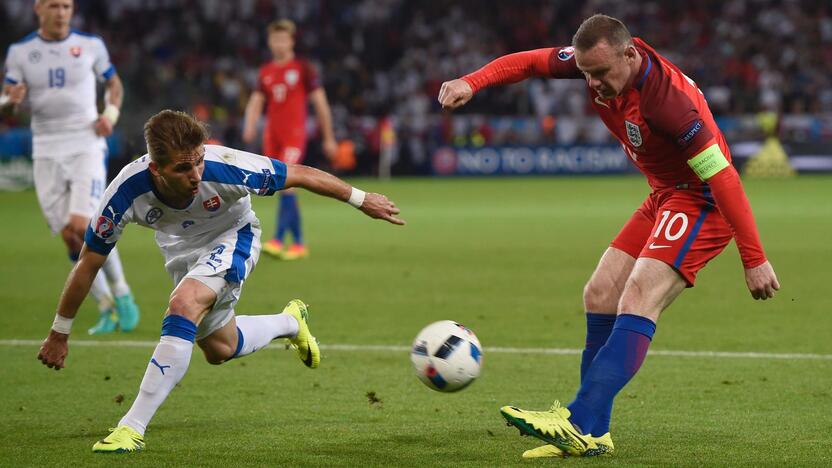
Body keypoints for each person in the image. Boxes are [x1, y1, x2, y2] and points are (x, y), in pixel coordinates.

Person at [438, 14, 780, 458]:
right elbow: (530, 63)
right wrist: (472, 81)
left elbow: (725, 178)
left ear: (630, 55)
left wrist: (754, 258)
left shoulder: (668, 104)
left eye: (600, 73)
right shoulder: (599, 57)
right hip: (663, 195)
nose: (593, 83)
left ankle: (579, 420)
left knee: (638, 296)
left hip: (701, 201)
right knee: (600, 293)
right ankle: (594, 432)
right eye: (585, 73)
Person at [36, 109, 404, 453]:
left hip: (233, 236)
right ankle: (291, 322)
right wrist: (59, 330)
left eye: (198, 161)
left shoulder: (227, 167)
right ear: (156, 168)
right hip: (179, 251)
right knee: (220, 349)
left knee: (183, 305)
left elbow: (301, 174)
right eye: (183, 168)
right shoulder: (124, 193)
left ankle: (131, 427)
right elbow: (88, 262)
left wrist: (362, 198)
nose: (196, 174)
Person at [2, 0, 140, 334]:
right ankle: (106, 305)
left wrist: (110, 115)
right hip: (46, 148)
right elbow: (7, 102)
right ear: (38, 9)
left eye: (66, 6)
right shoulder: (21, 52)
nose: (61, 12)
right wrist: (10, 101)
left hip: (85, 144)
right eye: (54, 5)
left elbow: (114, 85)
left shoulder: (90, 45)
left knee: (83, 225)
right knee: (68, 235)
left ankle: (123, 295)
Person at [242, 19, 338, 261]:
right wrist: (250, 125)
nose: (279, 43)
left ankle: (276, 239)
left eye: (283, 39)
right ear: (269, 42)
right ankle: (298, 243)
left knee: (287, 183)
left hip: (294, 135)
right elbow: (256, 101)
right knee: (284, 186)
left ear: (292, 41)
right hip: (272, 137)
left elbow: (320, 103)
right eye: (275, 39)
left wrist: (329, 137)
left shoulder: (303, 69)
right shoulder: (265, 72)